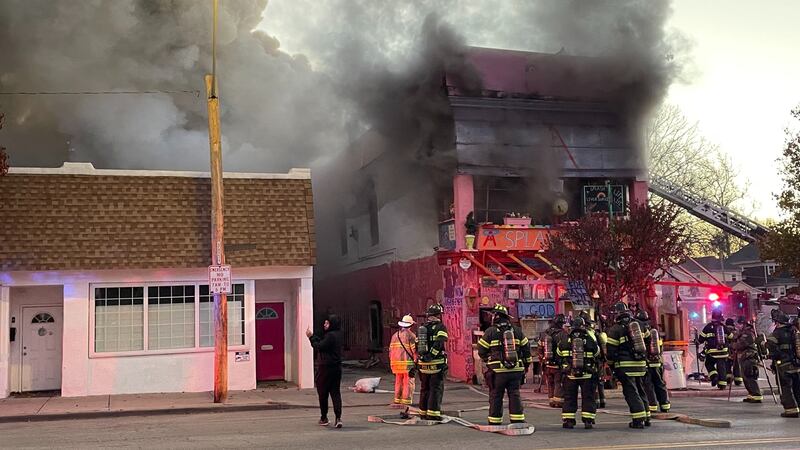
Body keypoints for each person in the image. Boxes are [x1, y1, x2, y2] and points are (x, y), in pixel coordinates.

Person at [478, 304, 532, 425]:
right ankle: (517, 419)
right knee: (514, 394)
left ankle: (495, 420)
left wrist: (489, 360)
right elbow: (526, 349)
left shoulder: (490, 332)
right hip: (515, 370)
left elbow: (481, 349)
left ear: (496, 316)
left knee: (496, 395)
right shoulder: (517, 331)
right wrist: (526, 365)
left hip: (498, 372)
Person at [606, 301, 649, 429]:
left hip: (625, 366)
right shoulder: (640, 325)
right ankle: (647, 417)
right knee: (641, 390)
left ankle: (638, 419)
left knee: (631, 392)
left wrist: (611, 365)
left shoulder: (615, 329)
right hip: (641, 365)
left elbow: (611, 351)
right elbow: (649, 340)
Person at [558, 316, 600, 429]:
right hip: (587, 373)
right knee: (588, 397)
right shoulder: (588, 337)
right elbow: (596, 352)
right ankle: (588, 420)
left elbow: (559, 352)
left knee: (569, 397)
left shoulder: (567, 337)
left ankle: (569, 420)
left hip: (570, 374)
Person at [306, 315, 344, 428]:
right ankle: (338, 418)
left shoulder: (330, 336)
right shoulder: (338, 334)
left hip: (325, 368)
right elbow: (324, 343)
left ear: (331, 324)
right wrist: (315, 337)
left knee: (323, 393)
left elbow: (319, 346)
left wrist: (311, 337)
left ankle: (324, 417)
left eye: (327, 323)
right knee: (335, 393)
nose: (324, 325)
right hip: (336, 368)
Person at [636, 310, 671, 414]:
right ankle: (665, 405)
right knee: (660, 384)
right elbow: (661, 347)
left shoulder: (640, 331)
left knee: (648, 385)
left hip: (647, 363)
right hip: (657, 362)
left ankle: (652, 406)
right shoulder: (654, 331)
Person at [417, 304, 448, 421]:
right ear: (439, 315)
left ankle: (423, 412)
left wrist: (423, 357)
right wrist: (431, 355)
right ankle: (433, 414)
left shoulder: (422, 328)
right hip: (436, 364)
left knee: (424, 388)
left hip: (423, 365)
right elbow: (439, 344)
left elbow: (417, 344)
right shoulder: (441, 327)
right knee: (435, 389)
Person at [767, 309, 800, 417]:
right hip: (796, 364)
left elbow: (771, 350)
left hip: (783, 365)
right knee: (797, 386)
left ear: (777, 322)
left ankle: (791, 410)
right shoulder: (794, 331)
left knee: (785, 387)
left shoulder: (776, 333)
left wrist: (763, 343)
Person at [390, 314, 417, 418]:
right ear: (410, 325)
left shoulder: (394, 335)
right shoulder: (411, 336)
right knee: (408, 382)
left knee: (398, 381)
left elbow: (390, 350)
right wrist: (416, 362)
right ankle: (406, 401)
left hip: (395, 364)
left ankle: (397, 400)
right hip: (407, 364)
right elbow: (414, 350)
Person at [698, 309, 733, 389]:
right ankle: (722, 384)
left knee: (709, 363)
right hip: (723, 351)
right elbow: (731, 337)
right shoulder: (723, 327)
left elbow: (701, 339)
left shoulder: (708, 327)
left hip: (712, 352)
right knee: (722, 367)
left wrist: (697, 341)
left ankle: (714, 376)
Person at [732, 317, 763, 403]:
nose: (737, 326)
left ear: (743, 324)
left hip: (749, 358)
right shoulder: (742, 333)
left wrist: (733, 344)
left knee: (750, 376)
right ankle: (751, 395)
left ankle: (756, 395)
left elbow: (740, 345)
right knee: (745, 377)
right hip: (744, 358)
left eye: (738, 324)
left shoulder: (748, 333)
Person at [542, 314, 567, 408]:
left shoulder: (546, 333)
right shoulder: (562, 334)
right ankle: (558, 401)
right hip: (558, 364)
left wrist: (543, 360)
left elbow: (540, 347)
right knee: (558, 382)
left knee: (550, 382)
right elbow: (565, 348)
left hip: (547, 364)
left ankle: (551, 400)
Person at [725, 318, 743, 386]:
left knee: (727, 366)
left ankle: (728, 379)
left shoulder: (724, 330)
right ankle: (738, 380)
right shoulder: (736, 331)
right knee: (736, 366)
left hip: (726, 351)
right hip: (735, 351)